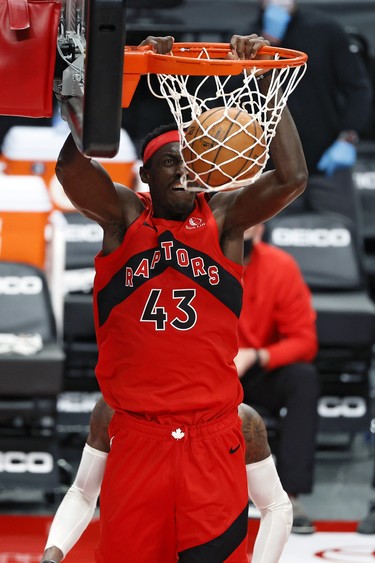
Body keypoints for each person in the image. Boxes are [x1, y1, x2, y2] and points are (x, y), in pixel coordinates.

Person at [54, 32, 307, 562]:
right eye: (168, 161)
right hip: (135, 434)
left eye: (188, 159)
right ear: (144, 174)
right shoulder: (124, 219)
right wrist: (119, 78)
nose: (182, 170)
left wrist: (262, 79)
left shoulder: (224, 220)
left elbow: (293, 177)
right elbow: (72, 170)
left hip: (211, 434)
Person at [41, 400, 292, 563]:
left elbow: (276, 505)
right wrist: (51, 554)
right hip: (132, 547)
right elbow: (83, 492)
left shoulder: (241, 420)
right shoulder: (113, 411)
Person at [248, 0, 373, 246]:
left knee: (344, 242)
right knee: (269, 249)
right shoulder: (248, 37)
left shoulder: (327, 30)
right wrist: (269, 42)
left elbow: (358, 88)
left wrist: (348, 137)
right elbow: (239, 96)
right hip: (272, 170)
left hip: (327, 164)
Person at [234, 223, 320, 535]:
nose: (245, 224)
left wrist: (257, 355)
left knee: (303, 379)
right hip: (204, 367)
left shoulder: (279, 267)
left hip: (254, 368)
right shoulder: (195, 262)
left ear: (261, 227)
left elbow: (305, 340)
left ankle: (289, 495)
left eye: (252, 219)